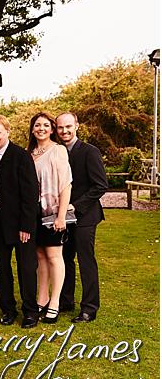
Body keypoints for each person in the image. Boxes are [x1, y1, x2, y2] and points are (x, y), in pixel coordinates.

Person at [0, 115, 40, 329]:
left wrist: (26, 225)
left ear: (7, 132)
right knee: (2, 267)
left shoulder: (21, 156)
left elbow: (30, 192)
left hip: (20, 224)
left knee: (26, 268)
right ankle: (8, 309)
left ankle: (30, 312)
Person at [55, 112, 107, 323]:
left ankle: (89, 307)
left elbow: (100, 186)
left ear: (77, 125)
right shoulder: (57, 152)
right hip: (62, 217)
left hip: (85, 216)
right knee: (65, 259)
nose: (64, 131)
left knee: (86, 261)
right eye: (60, 127)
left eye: (68, 126)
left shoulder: (89, 152)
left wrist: (75, 206)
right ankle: (66, 301)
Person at [27, 112, 72, 324]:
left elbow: (66, 185)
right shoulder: (30, 153)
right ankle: (41, 299)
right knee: (40, 257)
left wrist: (61, 215)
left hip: (52, 212)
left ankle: (54, 303)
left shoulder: (58, 151)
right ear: (32, 129)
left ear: (52, 129)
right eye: (37, 125)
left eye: (46, 125)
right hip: (33, 213)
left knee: (54, 257)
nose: (41, 128)